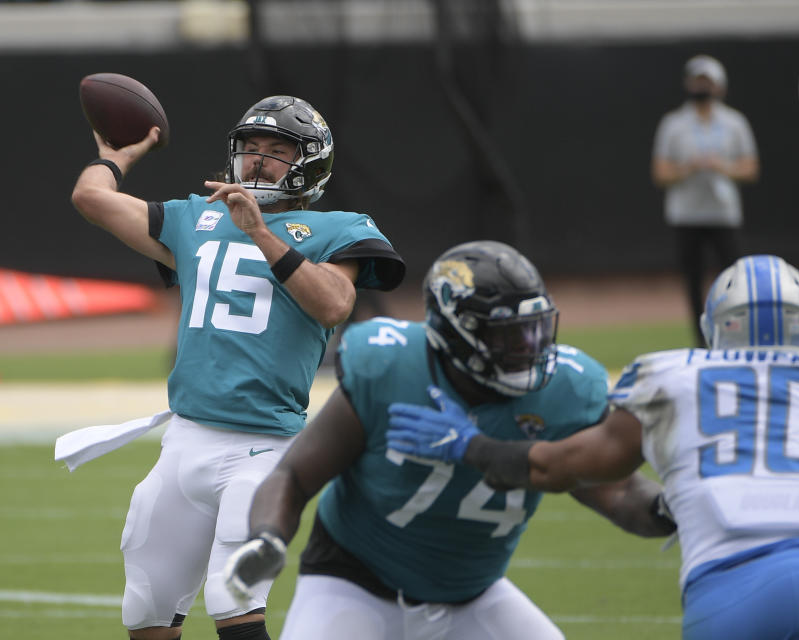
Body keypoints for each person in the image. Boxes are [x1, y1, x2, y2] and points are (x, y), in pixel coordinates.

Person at [388, 254, 799, 640]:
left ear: (716, 323)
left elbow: (557, 467)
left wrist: (471, 445)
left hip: (727, 591)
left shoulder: (675, 378)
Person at [69, 95, 405, 640]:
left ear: (310, 162)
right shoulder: (194, 219)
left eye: (277, 150)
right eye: (250, 148)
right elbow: (91, 197)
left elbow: (335, 306)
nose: (258, 160)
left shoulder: (337, 229)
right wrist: (117, 157)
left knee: (235, 605)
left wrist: (260, 232)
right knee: (145, 614)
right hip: (184, 441)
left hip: (264, 447)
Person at [222, 240, 677, 639]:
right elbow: (295, 476)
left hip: (472, 593)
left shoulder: (566, 390)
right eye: (508, 335)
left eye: (534, 329)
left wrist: (676, 507)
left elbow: (615, 491)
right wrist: (267, 538)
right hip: (354, 581)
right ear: (454, 332)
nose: (529, 348)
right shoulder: (393, 368)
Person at [651, 54, 760, 347]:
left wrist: (722, 166)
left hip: (723, 214)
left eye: (707, 82)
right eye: (697, 81)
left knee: (734, 279)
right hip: (686, 214)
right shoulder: (673, 123)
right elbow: (660, 172)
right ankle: (702, 340)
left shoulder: (735, 122)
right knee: (693, 281)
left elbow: (751, 168)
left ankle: (738, 332)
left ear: (719, 87)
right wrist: (690, 167)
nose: (701, 87)